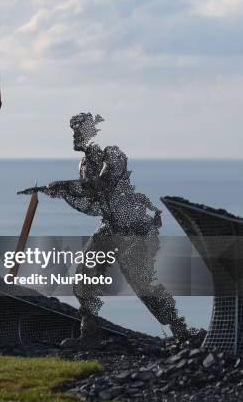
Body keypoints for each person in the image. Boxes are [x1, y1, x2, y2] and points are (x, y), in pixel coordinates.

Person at [19, 113, 190, 340]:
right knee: (84, 274)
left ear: (93, 133)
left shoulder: (114, 154)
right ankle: (88, 329)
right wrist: (52, 190)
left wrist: (61, 186)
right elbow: (92, 202)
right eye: (74, 131)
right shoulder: (85, 164)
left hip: (133, 228)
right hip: (110, 226)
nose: (75, 136)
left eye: (80, 130)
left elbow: (101, 185)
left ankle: (179, 329)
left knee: (141, 283)